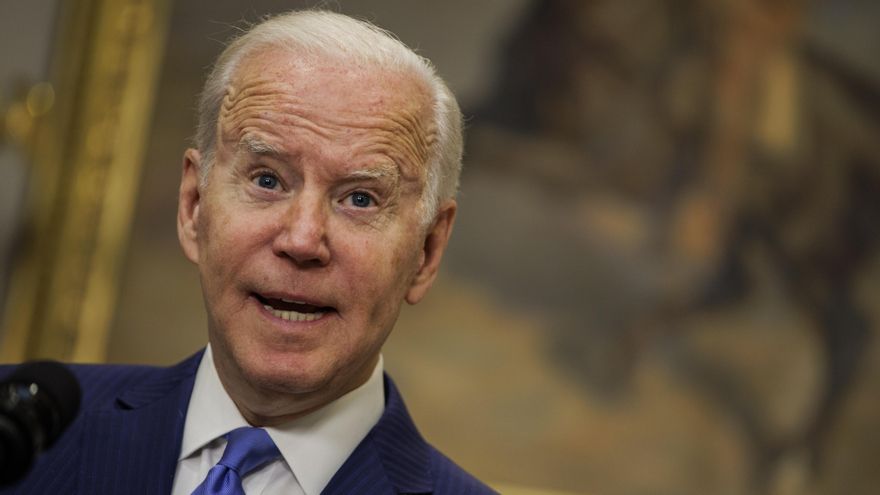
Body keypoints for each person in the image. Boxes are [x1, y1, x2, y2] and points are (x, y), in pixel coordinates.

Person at [1, 9, 495, 495]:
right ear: (193, 205)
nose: (302, 241)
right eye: (266, 179)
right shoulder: (20, 438)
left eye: (360, 199)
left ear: (427, 252)